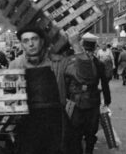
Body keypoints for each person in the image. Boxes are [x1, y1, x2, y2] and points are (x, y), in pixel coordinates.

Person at [9, 26, 80, 154]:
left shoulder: (58, 62)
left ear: (42, 41)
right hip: (27, 126)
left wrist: (76, 45)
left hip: (55, 125)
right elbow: (8, 96)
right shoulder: (15, 65)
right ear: (21, 45)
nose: (30, 44)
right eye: (26, 41)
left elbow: (87, 77)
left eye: (34, 39)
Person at [65, 33, 111, 154]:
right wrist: (107, 100)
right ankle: (88, 151)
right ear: (95, 48)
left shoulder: (73, 62)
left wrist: (66, 97)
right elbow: (105, 83)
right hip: (92, 100)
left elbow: (67, 81)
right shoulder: (99, 64)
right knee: (90, 131)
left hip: (76, 100)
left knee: (77, 131)